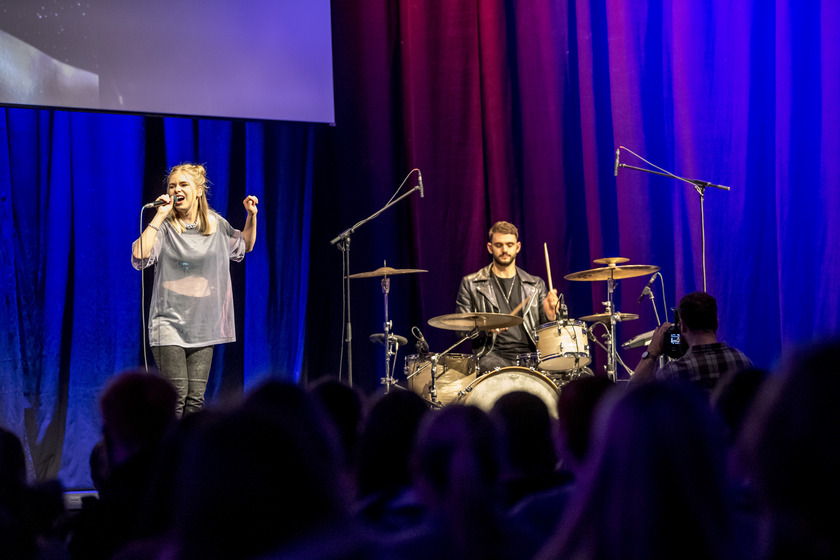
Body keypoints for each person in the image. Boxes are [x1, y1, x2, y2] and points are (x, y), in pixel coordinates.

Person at [131, 163, 258, 416]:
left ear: (198, 191)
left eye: (183, 185)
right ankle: (169, 454)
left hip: (202, 324)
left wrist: (252, 216)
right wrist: (159, 215)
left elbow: (245, 245)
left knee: (195, 402)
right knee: (175, 401)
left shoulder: (215, 224)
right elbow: (139, 255)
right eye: (172, 186)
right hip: (168, 323)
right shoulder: (165, 227)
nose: (176, 190)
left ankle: (186, 454)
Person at [456, 221, 559, 372]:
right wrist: (486, 328)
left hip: (531, 355)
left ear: (517, 247)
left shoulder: (535, 284)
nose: (505, 250)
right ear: (490, 248)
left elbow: (549, 333)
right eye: (499, 245)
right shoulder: (471, 283)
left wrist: (551, 318)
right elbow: (460, 330)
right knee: (490, 365)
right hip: (492, 355)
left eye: (510, 245)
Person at [629, 291, 752, 393]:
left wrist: (651, 353)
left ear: (682, 326)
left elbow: (634, 396)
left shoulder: (674, 372)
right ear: (717, 323)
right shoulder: (742, 361)